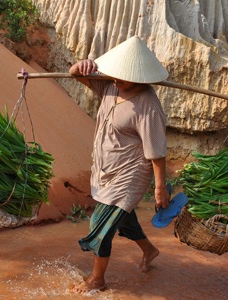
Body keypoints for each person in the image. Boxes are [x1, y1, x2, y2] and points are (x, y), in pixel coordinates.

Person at [68, 36, 171, 293]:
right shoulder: (111, 86)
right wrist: (80, 66)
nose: (116, 78)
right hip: (106, 169)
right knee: (122, 218)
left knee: (101, 224)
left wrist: (160, 188)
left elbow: (156, 152)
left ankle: (97, 280)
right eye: (115, 74)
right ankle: (149, 250)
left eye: (122, 75)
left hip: (131, 174)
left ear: (139, 77)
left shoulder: (148, 106)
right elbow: (75, 75)